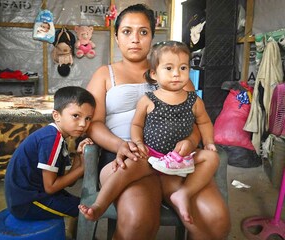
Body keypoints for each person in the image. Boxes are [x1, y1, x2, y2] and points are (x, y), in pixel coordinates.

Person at [82, 3, 230, 240]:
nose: (135, 39)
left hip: (178, 161)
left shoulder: (176, 74)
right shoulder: (104, 74)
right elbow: (94, 123)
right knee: (138, 222)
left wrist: (191, 141)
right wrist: (120, 145)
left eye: (143, 32)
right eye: (127, 32)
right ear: (117, 37)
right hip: (130, 159)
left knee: (217, 220)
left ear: (152, 37)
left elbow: (196, 118)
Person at [4, 86, 96, 237]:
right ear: (56, 115)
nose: (83, 124)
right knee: (83, 210)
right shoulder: (51, 140)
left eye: (88, 118)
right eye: (76, 116)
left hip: (32, 194)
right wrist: (83, 168)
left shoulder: (58, 138)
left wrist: (79, 158)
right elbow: (51, 187)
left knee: (83, 204)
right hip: (27, 202)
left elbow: (67, 180)